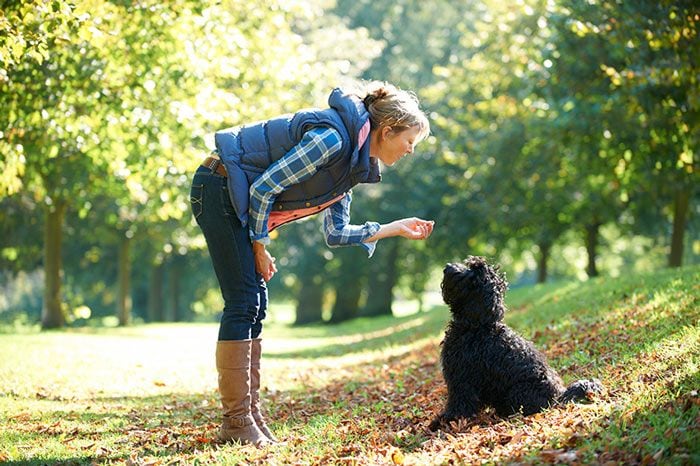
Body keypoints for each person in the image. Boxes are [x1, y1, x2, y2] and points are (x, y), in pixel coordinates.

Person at [189, 81, 434, 447]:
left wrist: (391, 229)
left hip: (235, 198)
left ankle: (248, 416)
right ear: (387, 131)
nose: (410, 151)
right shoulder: (332, 141)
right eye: (410, 142)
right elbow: (263, 188)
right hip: (218, 186)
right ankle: (237, 422)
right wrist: (260, 244)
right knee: (244, 302)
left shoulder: (353, 165)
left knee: (255, 303)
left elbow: (335, 233)